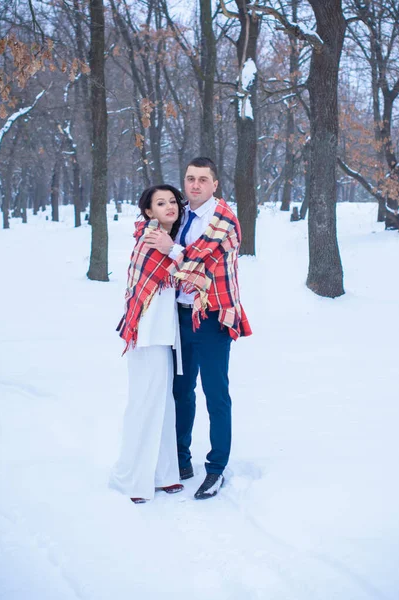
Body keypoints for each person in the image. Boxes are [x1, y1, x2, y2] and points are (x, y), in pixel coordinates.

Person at [145, 157, 252, 500]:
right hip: (178, 314)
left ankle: (216, 468)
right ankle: (181, 458)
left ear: (215, 184)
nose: (194, 186)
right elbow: (149, 229)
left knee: (216, 394)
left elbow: (199, 262)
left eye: (203, 180)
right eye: (190, 178)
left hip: (212, 315)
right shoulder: (181, 216)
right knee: (181, 390)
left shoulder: (224, 219)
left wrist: (170, 249)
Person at [110, 185, 186, 504]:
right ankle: (133, 479)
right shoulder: (153, 238)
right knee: (146, 404)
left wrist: (176, 249)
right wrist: (175, 251)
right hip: (147, 335)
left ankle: (163, 474)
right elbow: (190, 272)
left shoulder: (167, 238)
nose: (169, 206)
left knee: (163, 404)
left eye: (172, 201)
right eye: (160, 203)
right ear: (148, 211)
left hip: (162, 334)